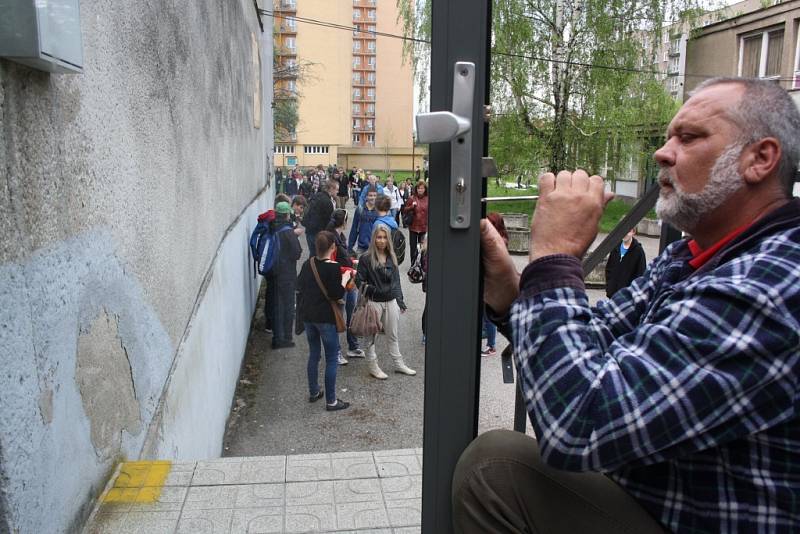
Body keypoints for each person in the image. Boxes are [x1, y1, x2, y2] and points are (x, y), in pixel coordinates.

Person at [454, 78, 800, 533]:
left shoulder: (774, 281)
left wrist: (555, 255)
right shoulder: (690, 257)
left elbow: (578, 419)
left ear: (760, 159)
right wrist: (510, 291)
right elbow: (589, 339)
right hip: (652, 501)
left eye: (689, 137)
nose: (662, 152)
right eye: (668, 137)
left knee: (493, 470)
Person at [297, 231, 352, 411]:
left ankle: (314, 392)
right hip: (326, 318)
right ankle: (331, 401)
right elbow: (337, 294)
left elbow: (300, 286)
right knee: (331, 359)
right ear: (333, 247)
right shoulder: (334, 268)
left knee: (314, 354)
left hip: (308, 316)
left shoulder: (308, 264)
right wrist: (344, 280)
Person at [356, 224, 416, 379]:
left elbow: (396, 281)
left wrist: (400, 301)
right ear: (374, 239)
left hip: (391, 302)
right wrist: (374, 291)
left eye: (384, 237)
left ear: (388, 239)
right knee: (371, 336)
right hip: (374, 302)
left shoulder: (392, 257)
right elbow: (359, 281)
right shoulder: (366, 258)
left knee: (393, 335)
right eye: (378, 237)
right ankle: (372, 365)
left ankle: (398, 364)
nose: (381, 241)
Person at [326, 209, 364, 364]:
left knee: (351, 313)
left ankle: (353, 346)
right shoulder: (331, 239)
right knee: (338, 318)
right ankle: (336, 352)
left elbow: (344, 256)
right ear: (344, 222)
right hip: (340, 282)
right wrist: (349, 268)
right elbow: (331, 263)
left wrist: (352, 262)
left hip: (349, 280)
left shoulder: (340, 236)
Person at [269, 202, 302, 349]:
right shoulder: (288, 232)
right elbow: (297, 253)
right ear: (288, 214)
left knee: (277, 306)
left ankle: (277, 338)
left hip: (273, 272)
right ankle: (286, 338)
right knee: (288, 306)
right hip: (287, 274)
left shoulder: (271, 228)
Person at [480, 213, 508, 356]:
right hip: (492, 282)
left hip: (491, 283)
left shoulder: (496, 241)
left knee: (488, 316)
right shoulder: (501, 238)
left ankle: (491, 346)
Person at [605, 227, 647, 298]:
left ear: (633, 232)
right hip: (613, 294)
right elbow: (609, 268)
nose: (625, 234)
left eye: (628, 231)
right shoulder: (616, 247)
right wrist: (609, 286)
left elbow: (641, 273)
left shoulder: (638, 251)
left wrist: (632, 292)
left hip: (628, 296)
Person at [303, 179, 338, 257]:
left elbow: (307, 211)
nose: (337, 192)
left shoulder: (316, 196)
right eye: (336, 189)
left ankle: (310, 268)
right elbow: (329, 222)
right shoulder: (328, 202)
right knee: (320, 256)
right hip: (318, 233)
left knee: (312, 255)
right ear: (331, 188)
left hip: (309, 231)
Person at [402, 180, 429, 265]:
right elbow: (404, 210)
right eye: (418, 188)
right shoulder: (412, 198)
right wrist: (411, 207)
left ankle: (422, 265)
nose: (420, 190)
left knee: (423, 248)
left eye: (422, 188)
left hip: (424, 227)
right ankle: (413, 264)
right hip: (413, 227)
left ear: (425, 189)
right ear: (416, 189)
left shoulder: (428, 198)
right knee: (413, 247)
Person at [348, 186, 379, 254]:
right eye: (370, 195)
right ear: (366, 197)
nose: (373, 198)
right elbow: (354, 228)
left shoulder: (379, 210)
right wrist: (350, 247)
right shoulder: (360, 210)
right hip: (361, 247)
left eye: (375, 195)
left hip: (376, 247)